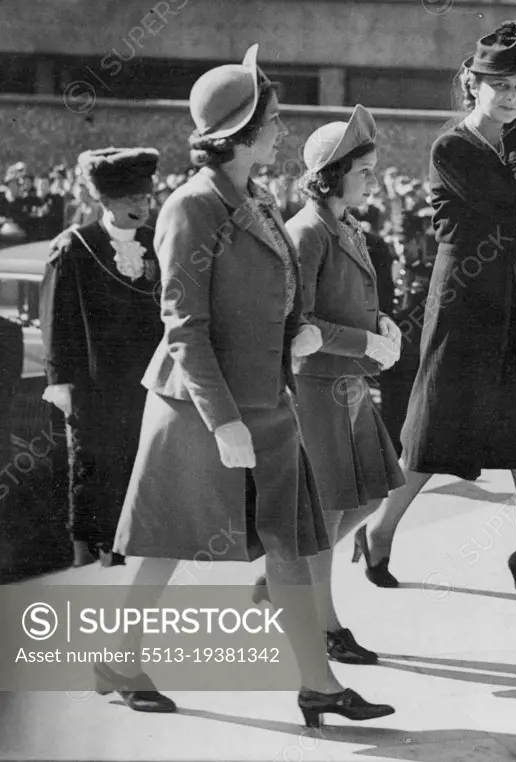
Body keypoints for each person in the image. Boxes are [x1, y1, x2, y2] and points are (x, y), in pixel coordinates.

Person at [107, 44, 394, 726]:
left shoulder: (254, 200)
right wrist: (223, 420)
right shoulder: (192, 208)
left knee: (290, 542)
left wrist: (297, 330)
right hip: (201, 404)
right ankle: (117, 660)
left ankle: (318, 685)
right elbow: (184, 324)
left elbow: (280, 286)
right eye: (271, 117)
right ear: (237, 130)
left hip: (266, 397)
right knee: (168, 544)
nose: (281, 129)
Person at [355, 21, 516, 596]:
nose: (510, 96)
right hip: (464, 302)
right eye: (498, 84)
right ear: (471, 83)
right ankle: (380, 532)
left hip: (513, 303)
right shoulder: (453, 145)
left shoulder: (503, 143)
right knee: (436, 429)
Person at [249, 107, 405, 665]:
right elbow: (301, 322)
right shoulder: (307, 230)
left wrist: (380, 324)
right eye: (365, 171)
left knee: (369, 496)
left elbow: (355, 298)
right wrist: (364, 344)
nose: (374, 180)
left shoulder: (347, 224)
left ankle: (276, 585)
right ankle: (325, 624)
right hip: (317, 389)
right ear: (333, 175)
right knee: (331, 510)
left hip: (349, 387)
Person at [39, 147, 165, 568]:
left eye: (145, 199)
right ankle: (86, 556)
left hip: (145, 379)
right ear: (105, 201)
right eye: (131, 200)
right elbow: (56, 318)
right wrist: (61, 381)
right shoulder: (74, 247)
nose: (141, 207)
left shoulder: (155, 244)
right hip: (94, 381)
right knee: (93, 463)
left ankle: (127, 547)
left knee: (138, 460)